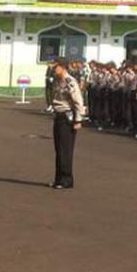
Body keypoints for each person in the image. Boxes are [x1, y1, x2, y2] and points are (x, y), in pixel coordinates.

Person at [48, 59, 86, 189]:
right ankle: (58, 179)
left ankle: (66, 179)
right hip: (58, 115)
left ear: (63, 67)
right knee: (58, 149)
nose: (53, 68)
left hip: (67, 117)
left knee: (65, 150)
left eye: (55, 66)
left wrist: (78, 119)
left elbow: (78, 101)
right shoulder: (57, 80)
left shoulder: (70, 82)